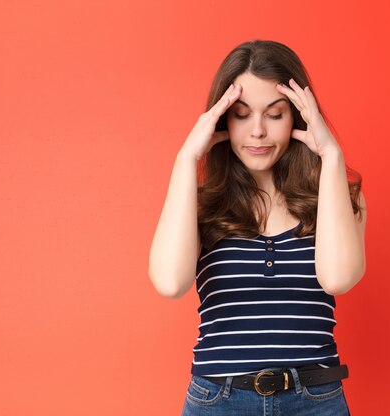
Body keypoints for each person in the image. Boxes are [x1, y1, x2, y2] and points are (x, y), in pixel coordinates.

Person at [149, 39, 367, 415]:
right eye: (242, 114)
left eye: (275, 114)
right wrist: (187, 158)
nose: (258, 132)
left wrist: (331, 156)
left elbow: (338, 279)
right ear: (221, 120)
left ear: (298, 117)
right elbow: (170, 283)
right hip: (218, 400)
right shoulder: (200, 203)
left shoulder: (339, 197)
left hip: (315, 400)